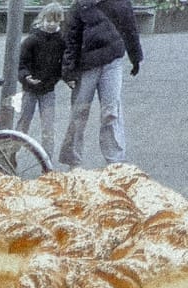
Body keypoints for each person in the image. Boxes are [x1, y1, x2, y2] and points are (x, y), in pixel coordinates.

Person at [59, 0, 141, 167]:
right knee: (79, 113)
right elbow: (71, 39)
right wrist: (69, 71)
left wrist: (136, 57)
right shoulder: (79, 6)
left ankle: (115, 162)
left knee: (111, 112)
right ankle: (73, 162)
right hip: (85, 65)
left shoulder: (120, 3)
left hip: (112, 61)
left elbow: (130, 28)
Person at [16, 5, 63, 148]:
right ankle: (12, 154)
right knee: (23, 123)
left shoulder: (61, 40)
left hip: (48, 89)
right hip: (30, 89)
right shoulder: (31, 40)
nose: (51, 24)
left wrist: (59, 77)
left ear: (60, 21)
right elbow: (21, 63)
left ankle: (47, 161)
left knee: (48, 127)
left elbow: (65, 62)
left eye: (55, 21)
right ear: (42, 19)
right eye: (48, 21)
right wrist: (25, 77)